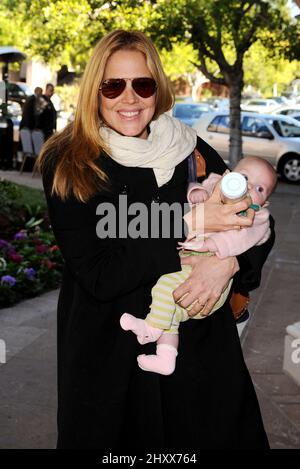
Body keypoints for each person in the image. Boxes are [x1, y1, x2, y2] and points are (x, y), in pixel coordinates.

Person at [37, 30, 275, 449]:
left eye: (142, 84)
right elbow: (99, 274)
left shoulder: (190, 148)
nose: (129, 99)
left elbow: (257, 219)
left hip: (200, 355)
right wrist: (185, 224)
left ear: (157, 88)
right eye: (114, 85)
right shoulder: (69, 160)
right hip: (111, 361)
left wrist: (228, 262)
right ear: (95, 90)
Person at [120, 156, 277, 375]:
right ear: (227, 176)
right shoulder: (215, 185)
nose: (248, 187)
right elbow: (194, 186)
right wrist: (195, 191)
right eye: (243, 178)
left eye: (260, 188)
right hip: (186, 265)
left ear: (265, 202)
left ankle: (150, 328)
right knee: (172, 314)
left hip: (209, 286)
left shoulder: (256, 216)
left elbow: (245, 239)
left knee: (165, 286)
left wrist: (219, 252)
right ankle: (166, 357)